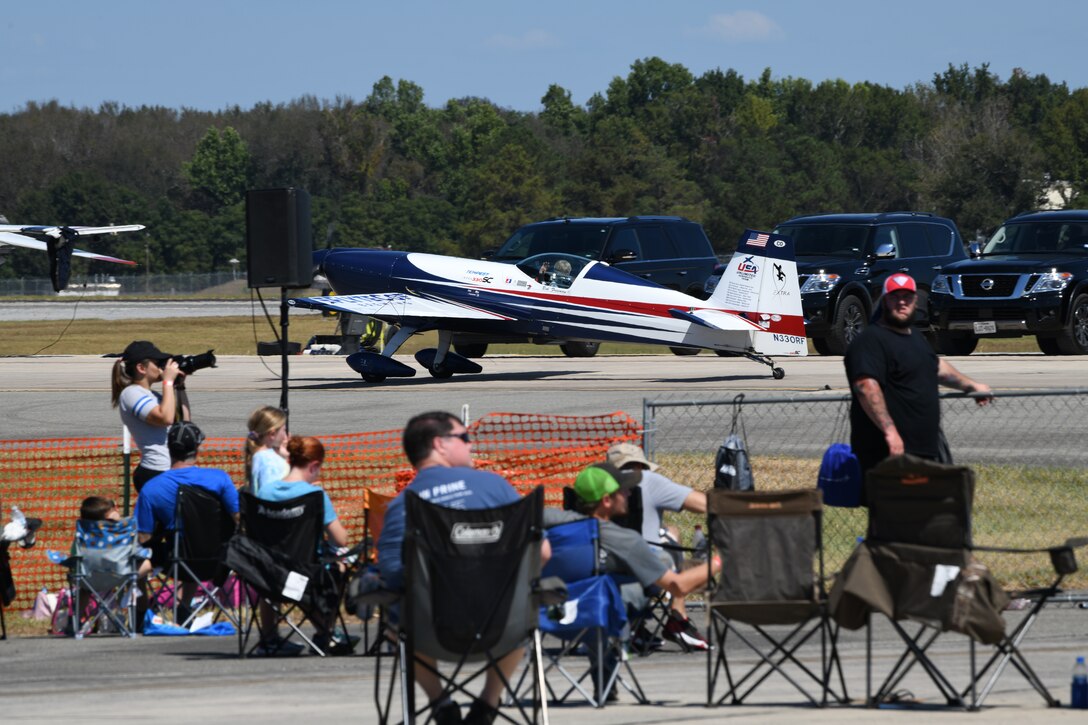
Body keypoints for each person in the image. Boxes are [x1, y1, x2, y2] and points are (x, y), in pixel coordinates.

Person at [377, 411, 547, 725]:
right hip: (505, 625)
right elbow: (543, 551)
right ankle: (488, 703)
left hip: (431, 629)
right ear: (439, 444)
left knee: (397, 618)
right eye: (465, 438)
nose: (471, 445)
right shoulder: (495, 486)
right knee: (527, 609)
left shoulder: (404, 503)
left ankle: (440, 703)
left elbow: (392, 571)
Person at [544, 462, 721, 696]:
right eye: (623, 490)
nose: (629, 493)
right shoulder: (624, 540)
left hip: (549, 614)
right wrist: (722, 559)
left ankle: (605, 676)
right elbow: (679, 586)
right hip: (598, 614)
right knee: (621, 591)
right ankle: (612, 666)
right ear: (607, 500)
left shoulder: (548, 520)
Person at [845, 273, 993, 487]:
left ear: (916, 301)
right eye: (895, 297)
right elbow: (866, 387)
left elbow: (936, 368)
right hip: (888, 451)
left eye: (907, 297)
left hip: (923, 449)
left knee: (922, 513)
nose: (902, 302)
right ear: (885, 300)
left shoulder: (915, 337)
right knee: (893, 514)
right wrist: (890, 433)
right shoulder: (870, 340)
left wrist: (971, 386)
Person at [605, 442, 710, 649]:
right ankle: (677, 617)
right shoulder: (648, 481)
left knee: (671, 532)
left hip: (600, 574)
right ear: (640, 467)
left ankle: (635, 625)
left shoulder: (596, 489)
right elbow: (704, 504)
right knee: (671, 542)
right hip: (645, 574)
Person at [255, 435, 353, 655]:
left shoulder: (264, 493)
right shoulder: (315, 495)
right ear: (314, 465)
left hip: (267, 571)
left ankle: (269, 637)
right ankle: (325, 631)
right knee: (343, 563)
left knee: (277, 575)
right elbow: (341, 539)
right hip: (305, 570)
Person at [135, 421, 239, 620]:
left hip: (178, 561)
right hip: (219, 559)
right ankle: (183, 608)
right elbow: (238, 518)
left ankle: (140, 613)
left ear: (168, 447)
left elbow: (143, 535)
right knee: (197, 536)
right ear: (197, 448)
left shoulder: (152, 488)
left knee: (148, 551)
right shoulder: (220, 479)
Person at [111, 340, 191, 491]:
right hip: (156, 471)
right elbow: (165, 418)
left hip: (170, 469)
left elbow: (184, 423)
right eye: (157, 363)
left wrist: (179, 386)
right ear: (141, 368)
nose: (162, 367)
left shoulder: (152, 395)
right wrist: (167, 382)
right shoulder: (131, 393)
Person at [244, 406, 289, 495]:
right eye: (284, 430)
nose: (286, 436)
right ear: (272, 434)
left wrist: (284, 457)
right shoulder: (270, 463)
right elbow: (269, 496)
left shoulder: (259, 456)